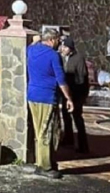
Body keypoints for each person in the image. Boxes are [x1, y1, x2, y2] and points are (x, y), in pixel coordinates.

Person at [27, 28, 74, 179]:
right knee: (46, 131)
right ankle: (46, 167)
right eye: (58, 40)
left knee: (38, 130)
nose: (59, 44)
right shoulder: (54, 56)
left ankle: (41, 162)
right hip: (46, 96)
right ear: (52, 39)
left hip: (32, 95)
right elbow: (61, 80)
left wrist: (35, 40)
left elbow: (33, 43)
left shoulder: (31, 50)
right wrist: (69, 98)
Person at [59, 36, 90, 154]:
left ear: (71, 48)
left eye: (65, 47)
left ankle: (83, 145)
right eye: (63, 46)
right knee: (66, 117)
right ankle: (68, 139)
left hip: (77, 93)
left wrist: (82, 95)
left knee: (77, 118)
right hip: (66, 92)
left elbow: (82, 76)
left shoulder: (78, 58)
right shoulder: (62, 58)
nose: (63, 49)